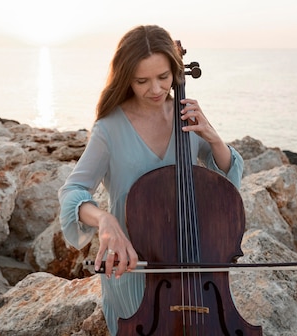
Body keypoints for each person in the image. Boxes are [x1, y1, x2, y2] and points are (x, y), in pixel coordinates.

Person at [57, 25, 244, 335]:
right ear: (125, 78)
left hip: (193, 266)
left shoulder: (185, 117)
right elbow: (73, 192)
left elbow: (226, 176)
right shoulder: (109, 128)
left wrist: (213, 138)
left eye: (164, 77)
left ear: (175, 71)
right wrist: (103, 220)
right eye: (142, 81)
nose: (156, 90)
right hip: (134, 268)